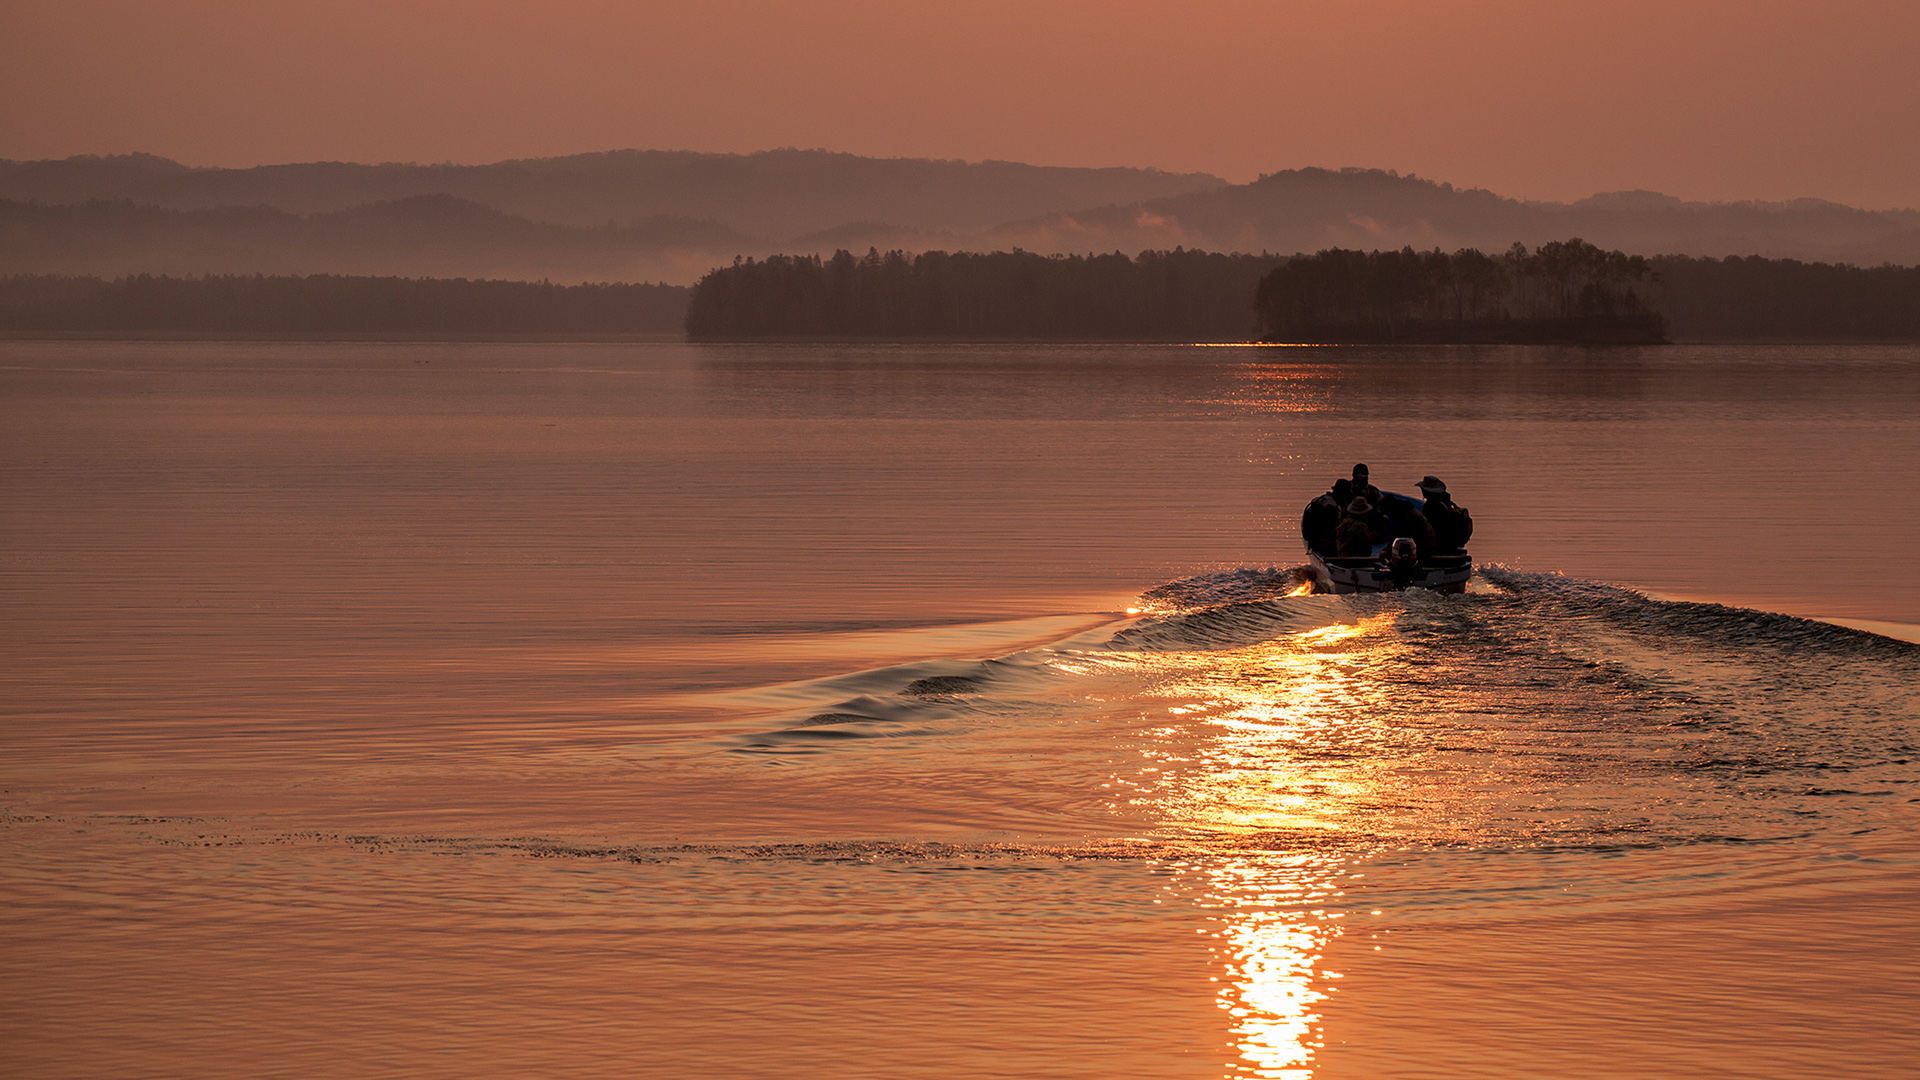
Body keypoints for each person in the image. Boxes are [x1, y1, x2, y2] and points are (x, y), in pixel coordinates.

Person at [1417, 476, 1474, 553]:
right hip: (1449, 544)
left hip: (1441, 546)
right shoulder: (1446, 502)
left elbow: (1431, 529)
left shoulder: (1431, 506)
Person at [1299, 478, 1350, 557]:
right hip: (1319, 541)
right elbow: (1329, 530)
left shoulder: (1324, 500)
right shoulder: (1330, 508)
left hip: (1313, 536)